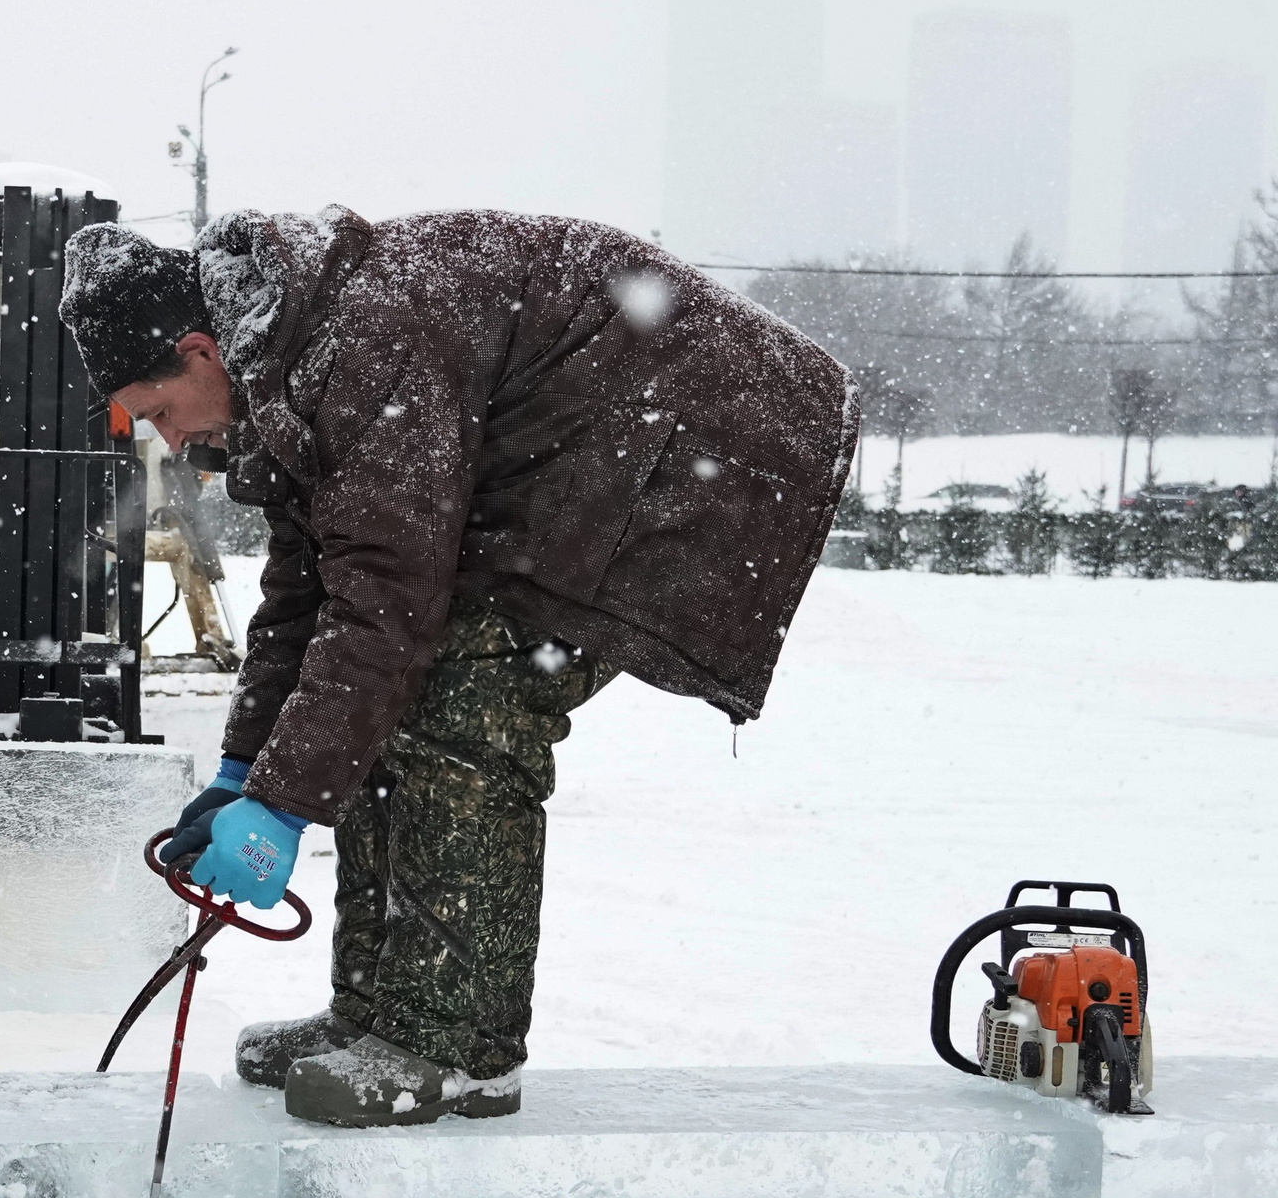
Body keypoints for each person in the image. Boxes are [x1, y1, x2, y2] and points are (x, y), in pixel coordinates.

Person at [57, 211, 854, 1128]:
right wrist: (251, 766)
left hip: (700, 446)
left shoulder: (361, 344)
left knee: (466, 697)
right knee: (383, 694)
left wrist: (281, 802)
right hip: (576, 460)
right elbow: (305, 591)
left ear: (201, 352)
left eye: (156, 412)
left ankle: (456, 1044)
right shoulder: (284, 362)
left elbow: (385, 605)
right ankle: (375, 1010)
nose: (166, 438)